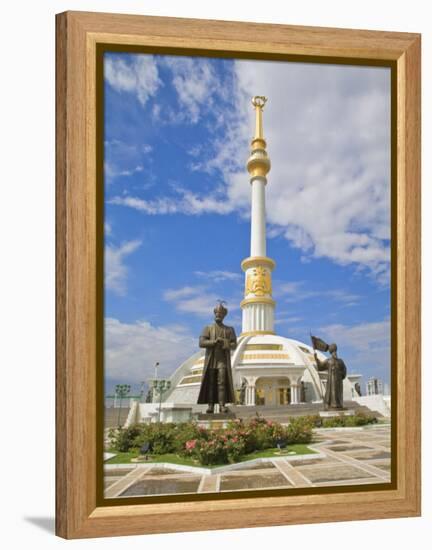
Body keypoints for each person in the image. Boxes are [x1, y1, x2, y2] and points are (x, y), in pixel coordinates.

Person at [197, 302, 237, 413]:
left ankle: (222, 405)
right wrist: (214, 342)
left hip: (222, 360)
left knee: (222, 383)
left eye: (220, 313)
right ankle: (210, 406)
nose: (218, 315)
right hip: (211, 360)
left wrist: (225, 342)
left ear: (224, 315)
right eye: (217, 313)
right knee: (211, 383)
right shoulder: (208, 328)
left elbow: (234, 344)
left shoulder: (229, 330)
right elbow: (201, 342)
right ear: (214, 313)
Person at [314, 343, 347, 410]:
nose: (334, 353)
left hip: (338, 381)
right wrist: (316, 359)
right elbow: (320, 366)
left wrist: (341, 375)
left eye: (335, 352)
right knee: (332, 392)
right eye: (333, 352)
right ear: (331, 353)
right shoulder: (328, 361)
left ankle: (339, 404)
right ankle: (332, 405)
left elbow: (344, 370)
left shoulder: (340, 361)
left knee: (338, 393)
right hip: (331, 381)